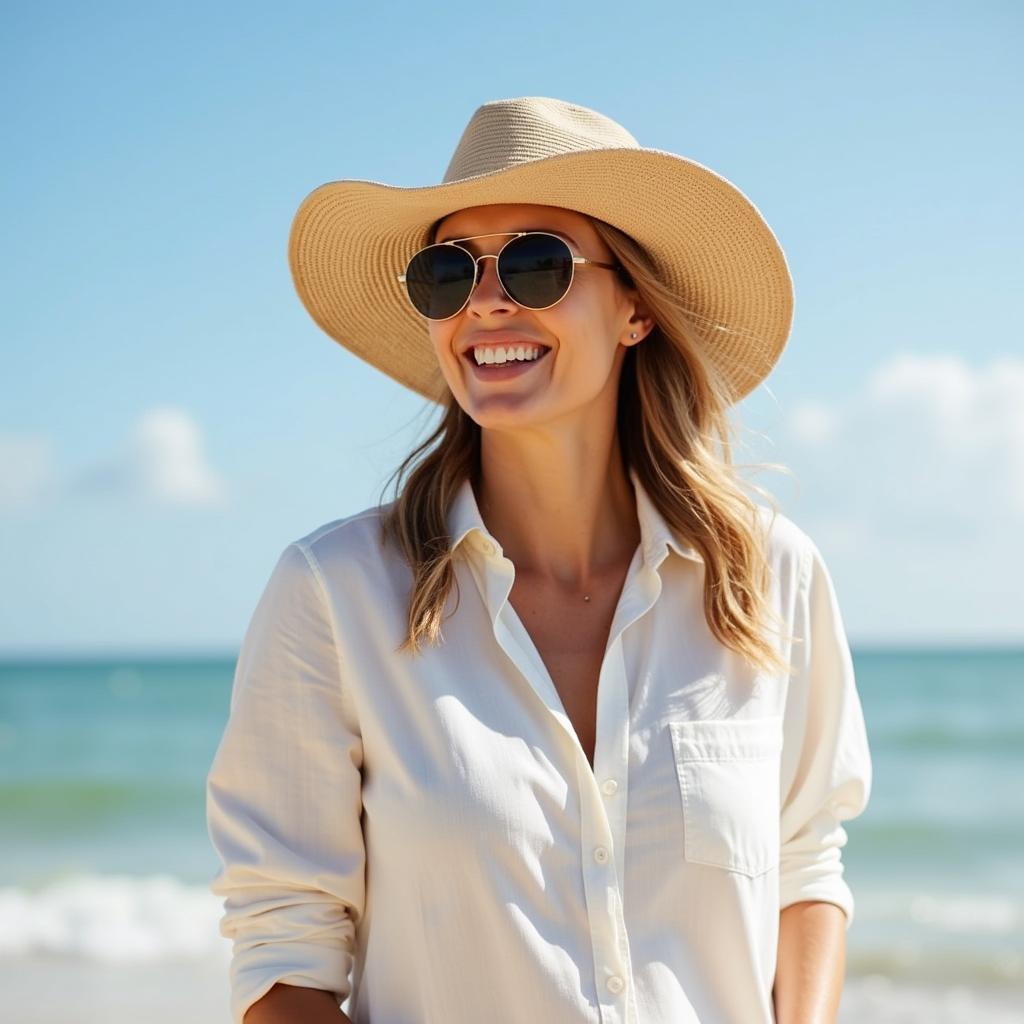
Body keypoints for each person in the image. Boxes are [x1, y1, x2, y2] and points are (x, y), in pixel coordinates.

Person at [206, 96, 873, 1024]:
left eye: (534, 262)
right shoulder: (333, 594)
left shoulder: (771, 579)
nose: (485, 300)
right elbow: (284, 954)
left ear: (634, 307)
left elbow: (805, 861)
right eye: (447, 273)